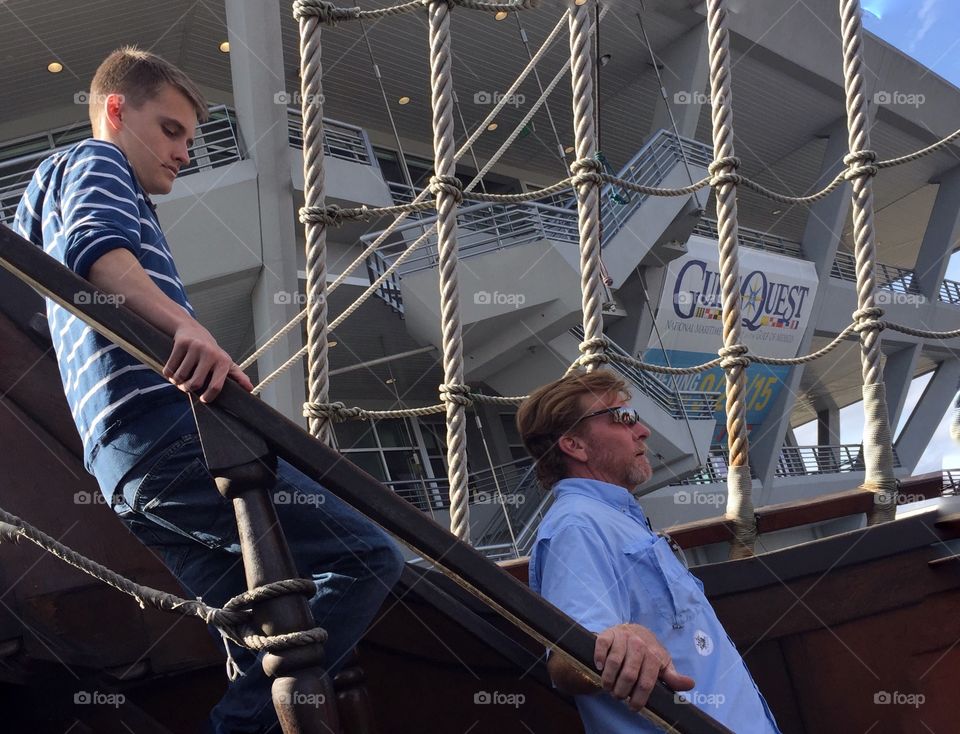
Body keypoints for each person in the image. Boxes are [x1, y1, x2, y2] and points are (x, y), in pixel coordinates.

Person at [14, 47, 403, 734]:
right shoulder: (97, 160)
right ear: (115, 110)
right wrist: (187, 326)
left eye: (189, 139)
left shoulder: (50, 189)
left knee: (256, 632)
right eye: (170, 130)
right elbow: (95, 249)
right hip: (163, 429)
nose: (183, 153)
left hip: (121, 468)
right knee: (368, 557)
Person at [517, 369, 781, 733]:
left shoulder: (614, 519)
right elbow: (567, 661)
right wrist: (616, 641)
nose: (642, 430)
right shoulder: (577, 527)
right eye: (622, 417)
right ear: (574, 445)